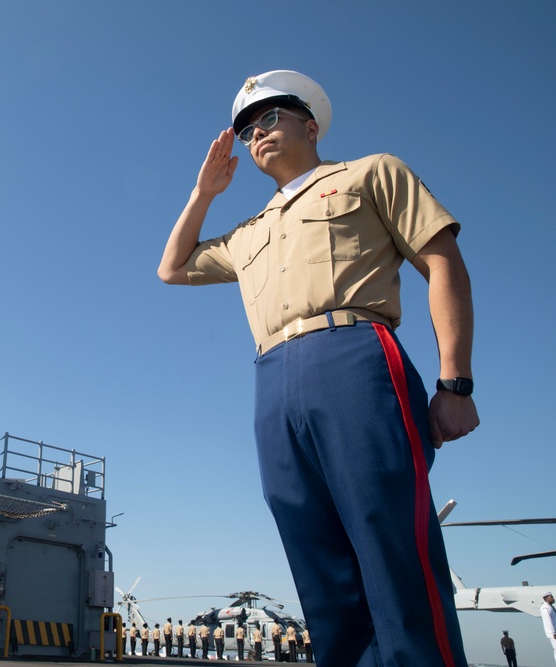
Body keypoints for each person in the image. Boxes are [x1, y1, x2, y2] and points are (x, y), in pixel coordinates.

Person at [158, 69, 477, 667]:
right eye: (248, 130)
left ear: (310, 124)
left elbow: (443, 264)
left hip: (352, 355)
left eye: (271, 118)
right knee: (314, 553)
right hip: (272, 377)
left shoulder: (369, 172)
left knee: (388, 537)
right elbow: (172, 267)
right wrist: (205, 193)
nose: (258, 134)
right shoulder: (249, 230)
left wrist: (454, 381)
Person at [542, 592, 556, 664]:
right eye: (551, 597)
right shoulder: (545, 608)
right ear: (546, 598)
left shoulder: (551, 607)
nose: (553, 598)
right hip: (553, 633)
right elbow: (548, 621)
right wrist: (553, 633)